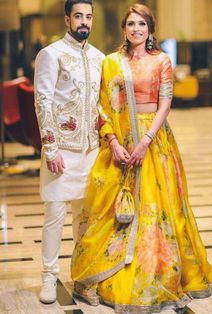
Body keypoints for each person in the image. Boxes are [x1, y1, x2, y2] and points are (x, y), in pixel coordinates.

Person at [71, 3, 212, 313]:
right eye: (131, 24)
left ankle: (155, 270)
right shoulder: (112, 62)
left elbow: (165, 105)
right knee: (113, 211)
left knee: (159, 207)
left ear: (150, 28)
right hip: (121, 142)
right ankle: (107, 272)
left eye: (142, 24)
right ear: (123, 29)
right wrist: (112, 141)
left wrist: (146, 142)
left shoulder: (161, 60)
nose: (136, 29)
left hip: (154, 142)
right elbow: (101, 106)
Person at [34, 0, 105, 304]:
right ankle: (49, 276)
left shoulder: (100, 57)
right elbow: (42, 101)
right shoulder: (51, 55)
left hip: (91, 150)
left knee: (85, 219)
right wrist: (50, 148)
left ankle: (83, 276)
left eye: (88, 16)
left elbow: (101, 104)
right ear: (67, 19)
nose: (84, 22)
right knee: (55, 215)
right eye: (78, 16)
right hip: (61, 149)